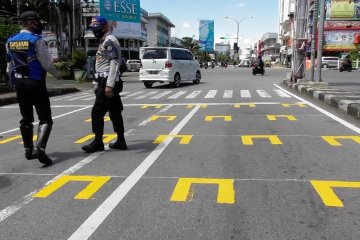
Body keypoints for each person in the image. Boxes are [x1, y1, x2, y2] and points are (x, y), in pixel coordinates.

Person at [6, 11, 61, 165]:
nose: (39, 25)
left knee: (26, 118)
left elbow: (9, 66)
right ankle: (40, 149)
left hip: (19, 84)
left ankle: (28, 150)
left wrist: (13, 82)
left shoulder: (10, 41)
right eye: (37, 22)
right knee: (45, 118)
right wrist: (57, 75)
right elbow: (47, 64)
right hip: (35, 82)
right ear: (30, 22)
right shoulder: (36, 40)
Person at [81, 16, 127, 153]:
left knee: (97, 113)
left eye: (98, 28)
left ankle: (98, 142)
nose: (95, 31)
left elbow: (114, 62)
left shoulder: (109, 40)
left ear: (105, 27)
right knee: (115, 112)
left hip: (108, 81)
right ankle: (121, 140)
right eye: (94, 28)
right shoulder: (104, 41)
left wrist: (109, 85)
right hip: (106, 80)